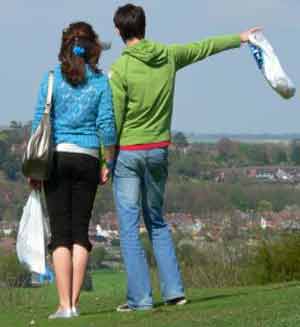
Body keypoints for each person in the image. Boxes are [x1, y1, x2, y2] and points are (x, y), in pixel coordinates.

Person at [109, 3, 261, 312]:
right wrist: (240, 37)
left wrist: (105, 160)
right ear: (144, 26)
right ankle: (175, 292)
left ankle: (140, 299)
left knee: (128, 226)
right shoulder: (168, 55)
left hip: (128, 153)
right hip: (159, 150)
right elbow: (204, 47)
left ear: (118, 31)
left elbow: (114, 119)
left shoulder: (120, 69)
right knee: (157, 221)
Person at [30, 22, 116, 319]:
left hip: (56, 158)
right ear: (91, 48)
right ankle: (75, 304)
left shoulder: (51, 78)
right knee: (81, 232)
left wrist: (34, 168)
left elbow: (38, 125)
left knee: (60, 235)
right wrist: (109, 162)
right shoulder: (100, 82)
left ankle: (63, 305)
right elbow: (107, 125)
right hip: (89, 159)